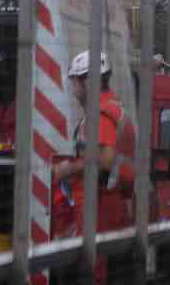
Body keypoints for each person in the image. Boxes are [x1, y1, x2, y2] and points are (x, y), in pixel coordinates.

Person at [53, 51, 126, 236]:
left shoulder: (101, 114)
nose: (73, 87)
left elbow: (104, 159)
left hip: (99, 212)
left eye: (75, 81)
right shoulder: (112, 107)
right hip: (107, 209)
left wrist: (67, 169)